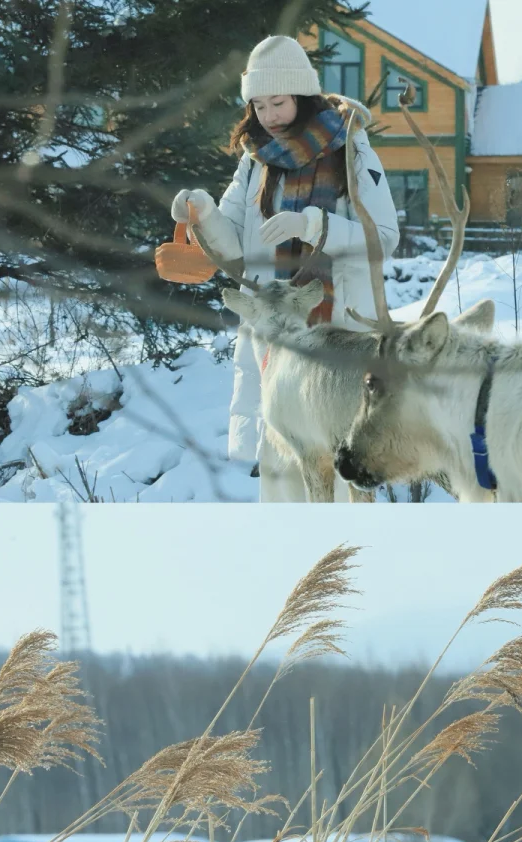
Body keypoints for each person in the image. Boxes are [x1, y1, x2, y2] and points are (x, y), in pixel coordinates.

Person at [170, 34, 399, 501]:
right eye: (258, 105)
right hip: (275, 340)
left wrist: (315, 224)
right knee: (284, 466)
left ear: (303, 96)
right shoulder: (255, 161)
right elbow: (232, 248)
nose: (268, 116)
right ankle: (296, 567)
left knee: (343, 464)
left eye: (277, 103)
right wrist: (202, 213)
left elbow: (385, 240)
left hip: (337, 337)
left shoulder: (351, 151)